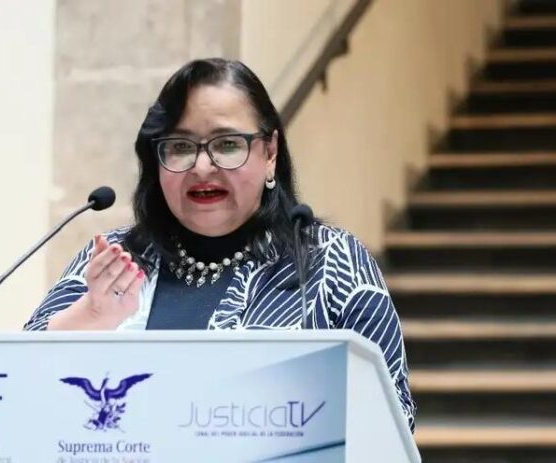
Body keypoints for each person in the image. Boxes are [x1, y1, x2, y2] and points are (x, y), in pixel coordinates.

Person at [24, 58, 416, 431]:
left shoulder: (331, 261)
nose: (201, 167)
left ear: (270, 153)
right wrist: (91, 316)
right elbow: (17, 385)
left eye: (227, 144)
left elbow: (393, 417)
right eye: (180, 147)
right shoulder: (115, 258)